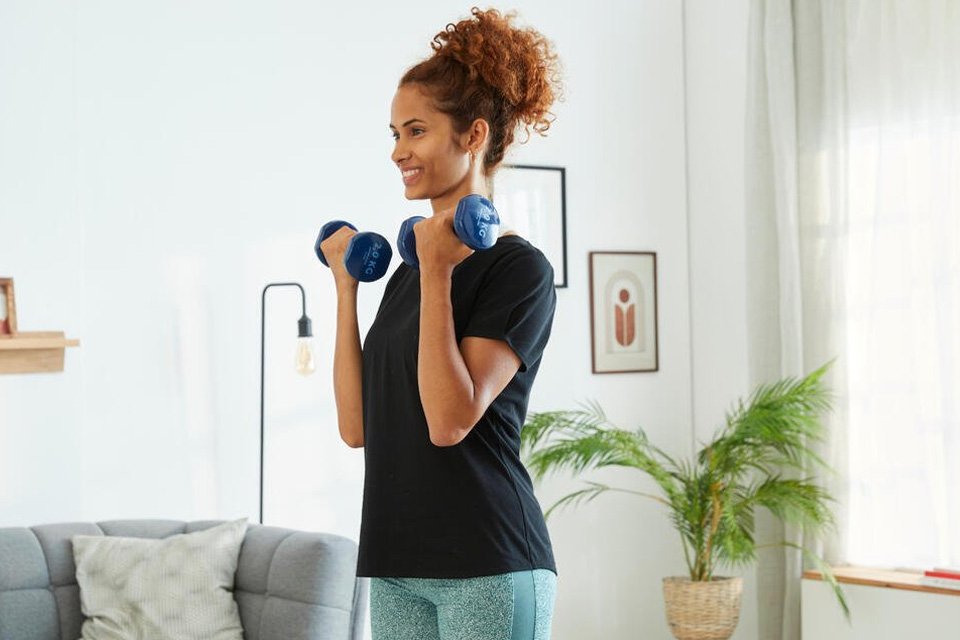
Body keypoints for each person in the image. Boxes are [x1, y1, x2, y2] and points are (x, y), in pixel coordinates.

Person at [320, 7, 564, 639]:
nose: (398, 151)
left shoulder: (518, 269)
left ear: (472, 135)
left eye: (416, 131)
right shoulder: (411, 271)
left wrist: (436, 271)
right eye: (394, 133)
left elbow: (450, 421)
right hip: (397, 557)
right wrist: (345, 290)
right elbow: (356, 427)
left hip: (487, 559)